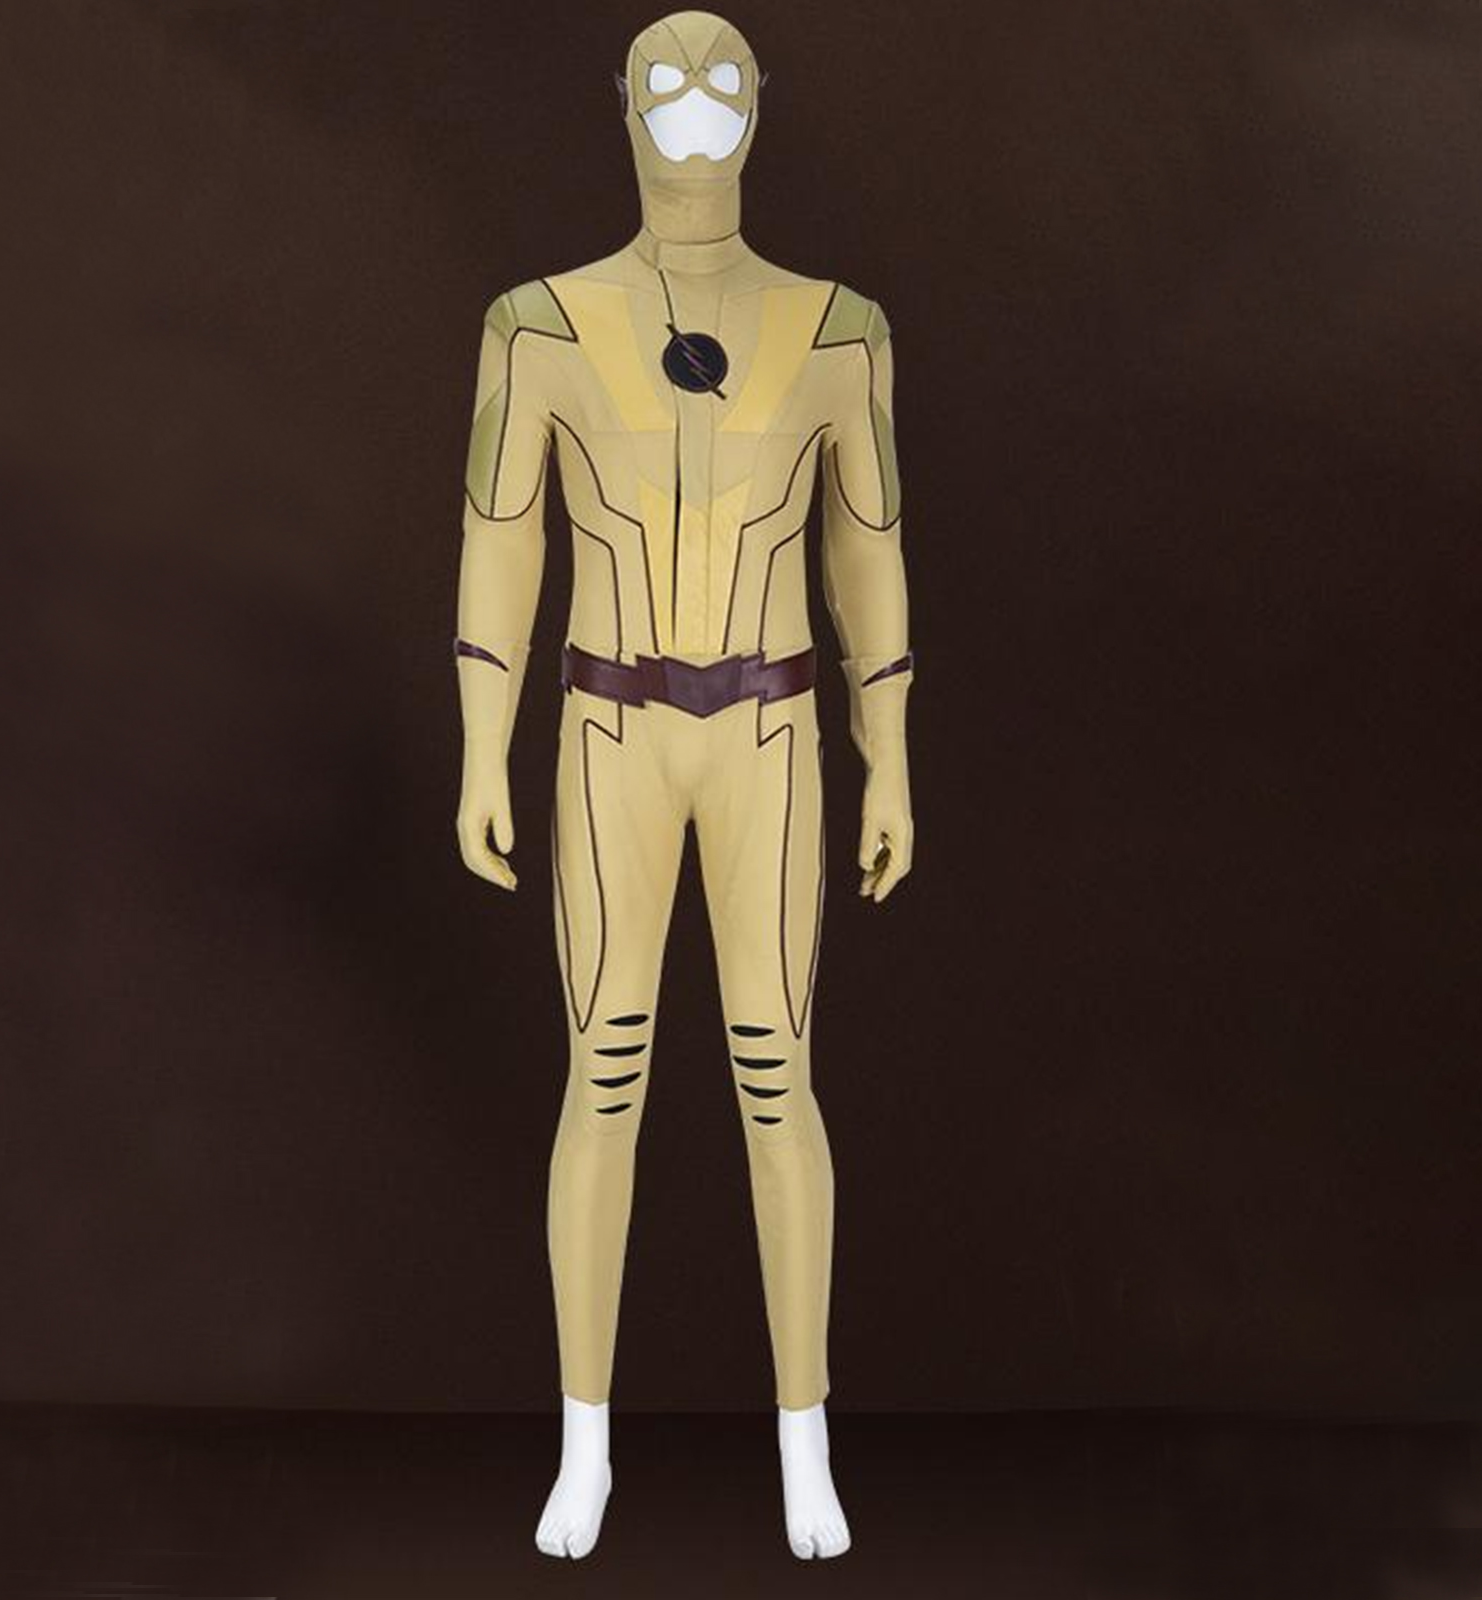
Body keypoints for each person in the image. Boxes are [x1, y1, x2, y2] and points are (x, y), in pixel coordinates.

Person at [453, 8, 914, 1560]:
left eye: (723, 79)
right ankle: (583, 1443)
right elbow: (501, 535)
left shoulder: (841, 331)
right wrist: (479, 742)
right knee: (605, 1071)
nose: (696, 105)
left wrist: (891, 756)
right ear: (624, 104)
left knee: (778, 1073)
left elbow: (868, 551)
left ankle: (805, 1442)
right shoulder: (537, 325)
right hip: (610, 731)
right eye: (668, 79)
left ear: (761, 105)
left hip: (769, 731)